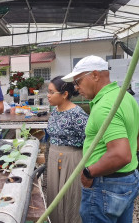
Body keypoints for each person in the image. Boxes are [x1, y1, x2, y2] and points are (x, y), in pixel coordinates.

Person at [62, 55, 139, 223]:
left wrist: (88, 173)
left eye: (78, 82)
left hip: (107, 184)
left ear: (95, 75)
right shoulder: (124, 97)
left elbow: (121, 155)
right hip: (127, 179)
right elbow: (136, 137)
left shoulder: (104, 106)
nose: (76, 88)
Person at [46, 76, 88, 223]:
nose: (48, 95)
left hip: (72, 159)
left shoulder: (77, 114)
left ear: (64, 94)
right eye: (48, 91)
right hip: (54, 157)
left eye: (52, 92)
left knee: (71, 197)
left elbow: (89, 139)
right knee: (54, 196)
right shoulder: (55, 110)